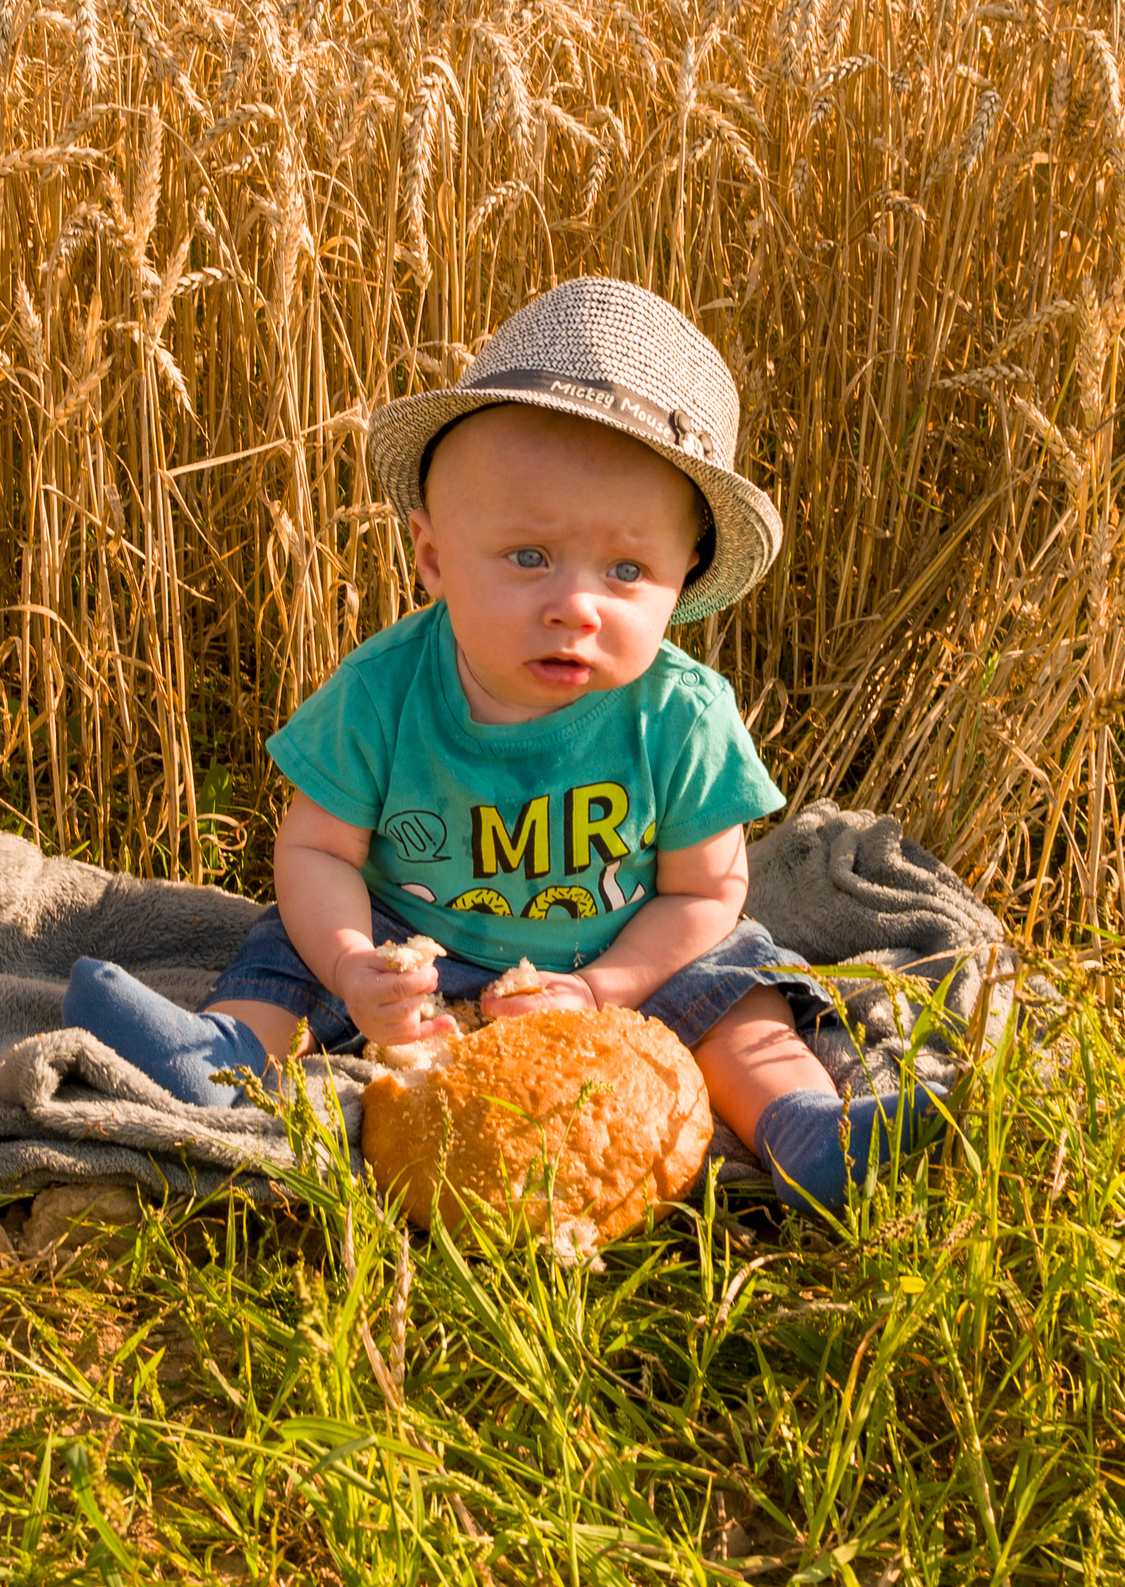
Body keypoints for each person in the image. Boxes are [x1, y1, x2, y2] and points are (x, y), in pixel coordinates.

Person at [62, 277, 940, 1212]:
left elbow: (704, 892)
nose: (576, 604)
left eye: (627, 569)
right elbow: (318, 849)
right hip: (413, 946)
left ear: (681, 583)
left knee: (738, 979)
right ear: (433, 556)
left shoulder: (682, 715)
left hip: (622, 951)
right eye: (529, 557)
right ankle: (221, 1058)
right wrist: (354, 964)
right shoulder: (385, 690)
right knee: (286, 949)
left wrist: (602, 988)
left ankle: (802, 1124)